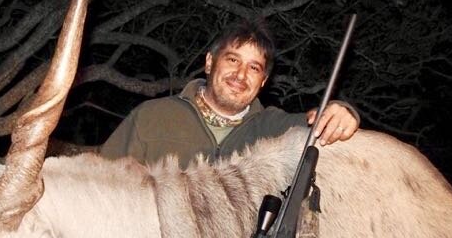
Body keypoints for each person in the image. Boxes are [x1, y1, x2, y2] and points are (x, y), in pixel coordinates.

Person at [100, 18, 359, 168]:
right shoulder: (151, 117)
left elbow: (318, 123)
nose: (241, 74)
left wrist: (343, 111)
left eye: (254, 67)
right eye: (233, 60)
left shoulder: (272, 127)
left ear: (263, 81)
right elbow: (102, 186)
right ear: (210, 62)